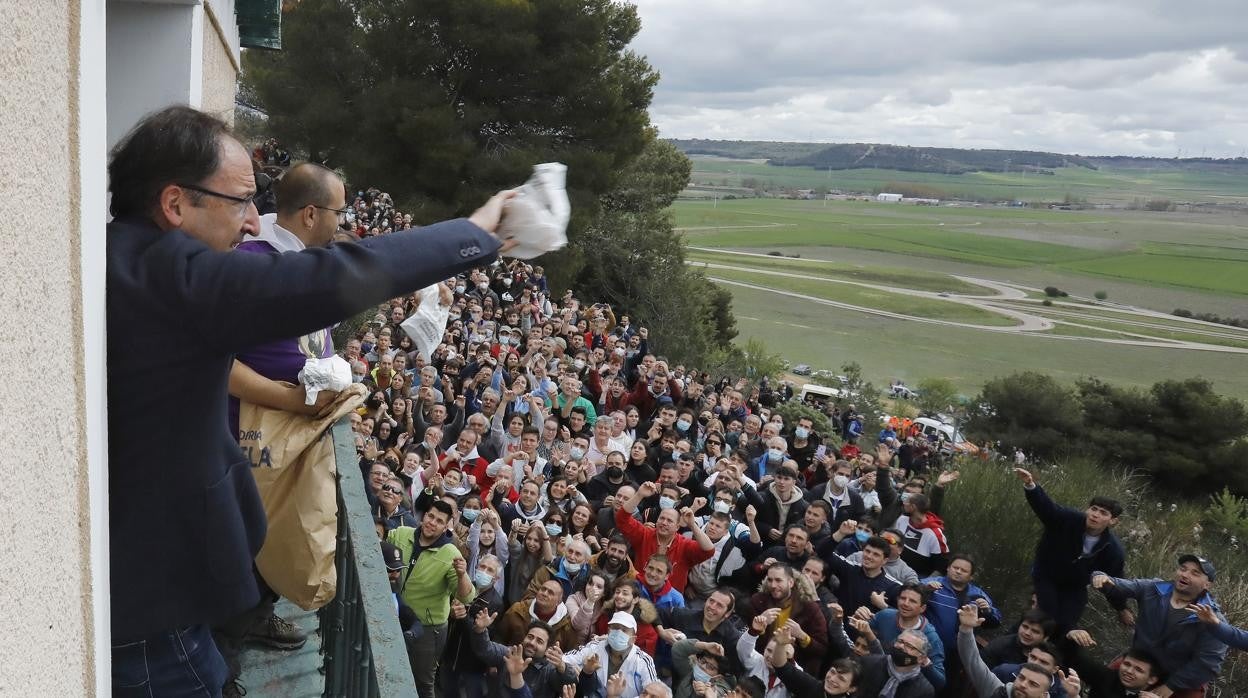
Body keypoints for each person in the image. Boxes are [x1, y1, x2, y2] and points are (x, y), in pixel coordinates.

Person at [107, 105, 512, 694]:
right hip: (156, 615)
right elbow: (324, 280)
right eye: (242, 200)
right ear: (175, 204)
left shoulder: (127, 256)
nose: (253, 223)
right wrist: (475, 234)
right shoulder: (172, 273)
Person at [1092, 555, 1229, 696]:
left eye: (1195, 573)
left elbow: (1208, 664)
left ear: (1207, 585)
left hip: (1181, 679)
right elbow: (1117, 585)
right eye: (1183, 569)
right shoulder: (1153, 589)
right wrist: (1101, 578)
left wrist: (1170, 686)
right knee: (1103, 681)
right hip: (1140, 663)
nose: (1185, 574)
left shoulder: (1212, 619)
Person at [1014, 468, 1129, 633]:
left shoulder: (1113, 549)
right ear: (1087, 510)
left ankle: (1054, 654)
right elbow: (1046, 508)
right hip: (1046, 575)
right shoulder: (1068, 519)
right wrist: (1031, 485)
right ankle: (1011, 644)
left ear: (1113, 521)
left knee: (1068, 626)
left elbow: (1114, 580)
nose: (1096, 514)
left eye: (1103, 513)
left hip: (1075, 586)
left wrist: (1121, 608)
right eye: (1094, 509)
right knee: (1045, 617)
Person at [388, 500, 477, 697]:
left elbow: (466, 595)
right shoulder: (402, 533)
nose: (432, 522)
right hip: (395, 615)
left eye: (439, 521)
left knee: (423, 681)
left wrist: (462, 575)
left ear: (446, 526)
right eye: (430, 516)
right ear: (423, 516)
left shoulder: (451, 553)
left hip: (428, 629)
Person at [956, 604, 1082, 698]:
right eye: (1021, 678)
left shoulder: (1059, 689)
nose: (1023, 685)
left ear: (1044, 694)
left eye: (1033, 684)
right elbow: (973, 661)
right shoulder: (997, 689)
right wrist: (966, 629)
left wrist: (1073, 696)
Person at [468, 611, 578, 698]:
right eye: (530, 637)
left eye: (539, 641)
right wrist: (480, 630)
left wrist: (562, 667)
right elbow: (486, 649)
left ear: (547, 649)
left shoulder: (550, 669)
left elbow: (569, 684)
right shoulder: (511, 653)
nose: (532, 643)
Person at [563, 611, 660, 698]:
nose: (618, 632)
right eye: (615, 628)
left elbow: (654, 692)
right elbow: (566, 659)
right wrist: (577, 669)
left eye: (624, 630)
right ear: (608, 631)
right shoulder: (595, 646)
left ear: (633, 639)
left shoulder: (643, 660)